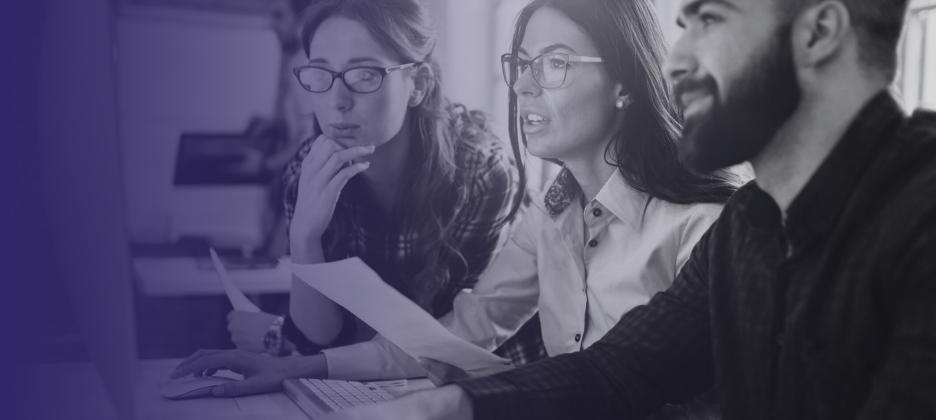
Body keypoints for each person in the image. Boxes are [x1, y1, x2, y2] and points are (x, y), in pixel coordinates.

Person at [327, 0, 936, 418]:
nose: (674, 61)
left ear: (817, 33)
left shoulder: (917, 218)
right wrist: (460, 405)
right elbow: (620, 371)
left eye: (712, 20)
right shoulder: (751, 225)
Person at [172, 0, 737, 410]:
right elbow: (457, 335)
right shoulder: (552, 216)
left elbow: (622, 377)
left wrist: (453, 406)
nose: (525, 87)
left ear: (625, 84)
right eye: (521, 65)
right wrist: (297, 366)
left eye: (556, 64)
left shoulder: (703, 230)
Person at [173, 0, 542, 396]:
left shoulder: (480, 172)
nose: (337, 101)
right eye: (321, 73)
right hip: (383, 381)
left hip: (498, 385)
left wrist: (280, 335)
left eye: (364, 74)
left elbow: (441, 338)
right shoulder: (308, 169)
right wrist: (304, 237)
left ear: (418, 84)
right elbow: (319, 334)